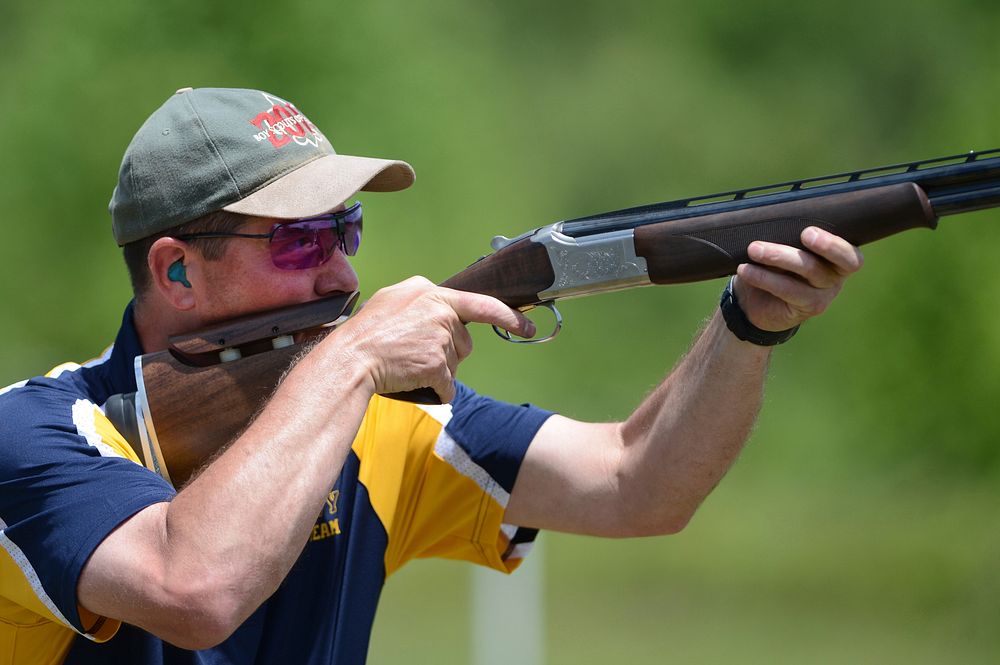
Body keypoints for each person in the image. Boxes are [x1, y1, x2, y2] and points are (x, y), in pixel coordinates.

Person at [0, 87, 862, 664]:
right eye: (302, 241)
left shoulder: (373, 419)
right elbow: (193, 589)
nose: (340, 274)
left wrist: (748, 324)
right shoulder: (31, 437)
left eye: (348, 229)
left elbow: (640, 483)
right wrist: (354, 355)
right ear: (177, 270)